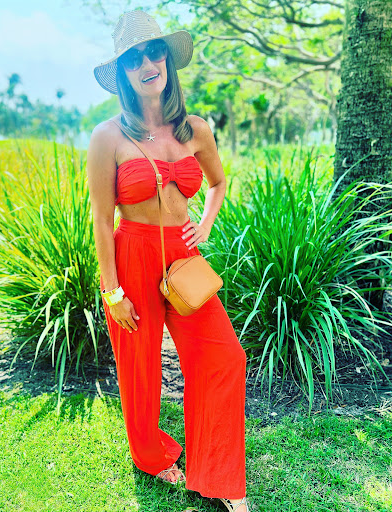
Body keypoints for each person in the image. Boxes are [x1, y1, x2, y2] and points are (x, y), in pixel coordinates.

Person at [87, 10, 249, 512]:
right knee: (140, 371)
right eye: (134, 58)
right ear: (123, 72)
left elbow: (218, 182)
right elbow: (101, 219)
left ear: (167, 60)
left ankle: (219, 475)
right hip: (131, 255)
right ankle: (152, 456)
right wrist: (112, 291)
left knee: (224, 357)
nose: (147, 63)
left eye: (154, 52)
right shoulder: (108, 136)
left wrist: (206, 224)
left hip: (183, 258)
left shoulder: (195, 128)